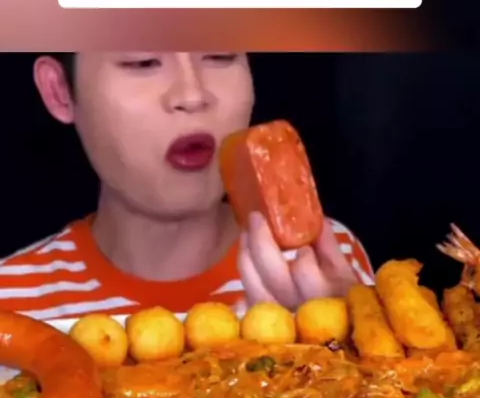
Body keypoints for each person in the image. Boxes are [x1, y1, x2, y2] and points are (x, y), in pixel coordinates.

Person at [0, 52, 373, 321]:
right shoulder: (9, 299)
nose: (193, 95)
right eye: (143, 62)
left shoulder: (328, 261)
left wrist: (341, 344)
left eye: (220, 55)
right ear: (60, 91)